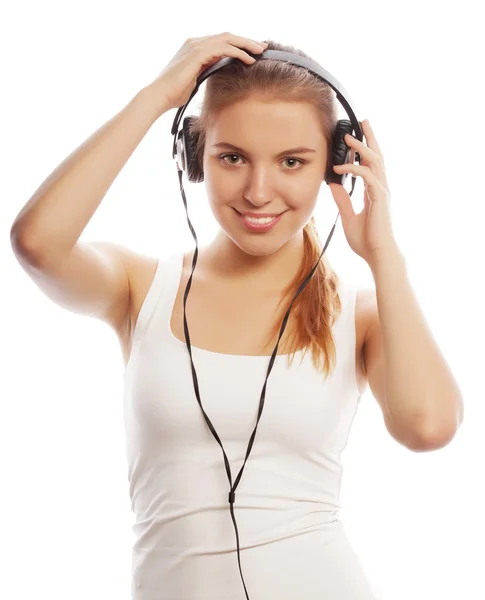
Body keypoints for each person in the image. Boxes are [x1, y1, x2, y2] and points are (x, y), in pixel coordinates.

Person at [10, 32, 429, 600]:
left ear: (335, 168)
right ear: (195, 156)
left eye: (292, 161)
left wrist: (384, 256)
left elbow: (426, 427)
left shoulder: (361, 312)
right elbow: (37, 242)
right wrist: (158, 95)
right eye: (232, 157)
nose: (260, 192)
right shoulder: (141, 287)